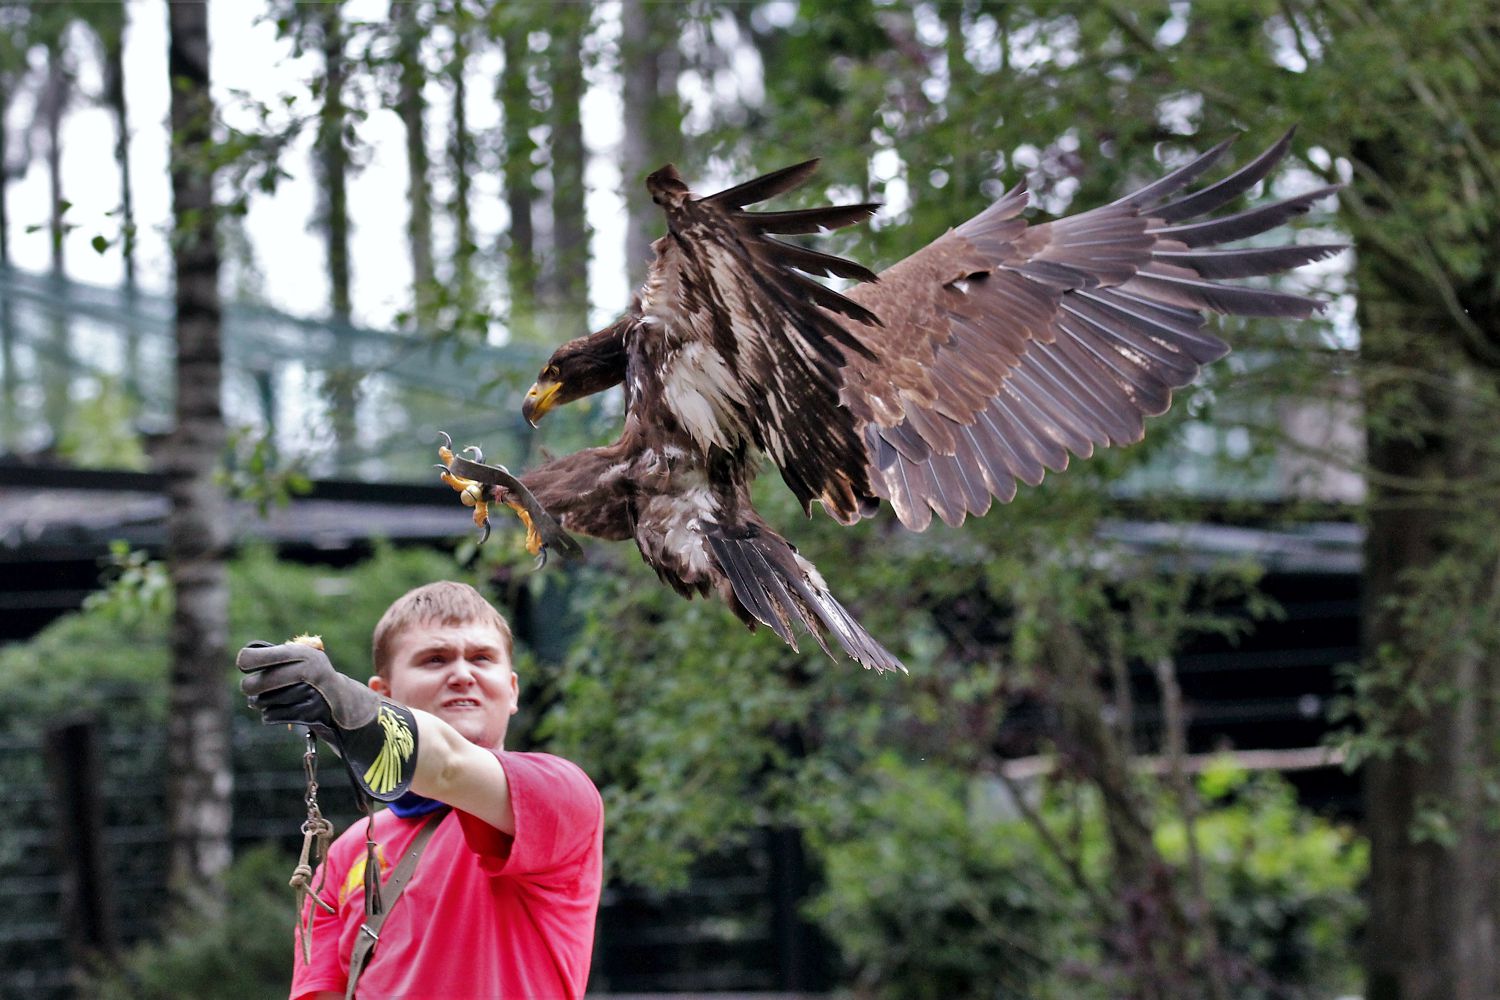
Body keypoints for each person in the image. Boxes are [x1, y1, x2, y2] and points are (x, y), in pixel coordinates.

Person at [237, 581, 603, 1000]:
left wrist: (353, 714)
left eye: (482, 658)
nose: (463, 674)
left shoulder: (561, 795)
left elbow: (448, 766)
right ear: (384, 694)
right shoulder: (346, 852)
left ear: (513, 689)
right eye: (435, 659)